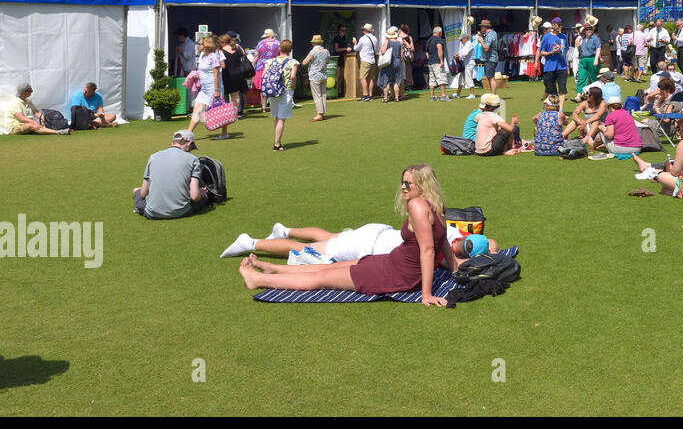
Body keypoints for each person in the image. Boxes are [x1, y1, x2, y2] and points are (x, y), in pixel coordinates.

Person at [238, 163, 450, 306]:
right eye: (402, 182)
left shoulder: (417, 205)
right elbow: (443, 243)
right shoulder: (436, 204)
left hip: (397, 274)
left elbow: (430, 249)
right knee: (332, 266)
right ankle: (274, 268)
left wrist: (426, 294)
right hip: (392, 262)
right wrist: (457, 270)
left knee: (320, 279)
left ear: (422, 186)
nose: (403, 187)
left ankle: (258, 279)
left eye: (408, 184)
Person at [222, 217, 498, 270]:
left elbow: (491, 243)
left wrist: (486, 246)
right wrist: (486, 252)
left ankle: (284, 229)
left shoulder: (447, 230)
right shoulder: (443, 252)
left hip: (377, 232)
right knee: (306, 252)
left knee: (331, 236)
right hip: (367, 247)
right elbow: (484, 251)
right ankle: (252, 242)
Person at [133, 129, 208, 218]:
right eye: (191, 148)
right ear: (188, 144)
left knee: (136, 191)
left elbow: (143, 194)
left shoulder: (153, 157)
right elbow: (195, 197)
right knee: (204, 197)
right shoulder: (193, 160)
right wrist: (201, 192)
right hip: (181, 212)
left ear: (173, 143)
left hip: (152, 213)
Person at [188, 34, 229, 140]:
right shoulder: (203, 56)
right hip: (204, 88)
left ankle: (224, 132)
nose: (198, 45)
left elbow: (216, 74)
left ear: (206, 45)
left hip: (213, 87)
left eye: (200, 44)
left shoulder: (214, 56)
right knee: (196, 109)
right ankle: (188, 134)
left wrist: (216, 90)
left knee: (218, 110)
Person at [585, 92, 642, 156]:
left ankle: (592, 144)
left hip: (623, 149)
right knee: (605, 128)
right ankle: (597, 144)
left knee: (601, 128)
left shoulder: (611, 115)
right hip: (637, 148)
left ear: (609, 106)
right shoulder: (627, 113)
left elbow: (609, 136)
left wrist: (601, 128)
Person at [1, 83, 70, 134]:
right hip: (14, 127)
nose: (32, 92)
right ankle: (57, 132)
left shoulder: (28, 101)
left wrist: (43, 119)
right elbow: (21, 118)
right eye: (30, 91)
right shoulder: (15, 102)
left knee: (36, 124)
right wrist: (34, 122)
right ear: (24, 92)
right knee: (32, 125)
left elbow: (36, 112)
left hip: (27, 124)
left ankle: (57, 130)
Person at [219, 33, 253, 116]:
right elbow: (244, 56)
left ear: (223, 42)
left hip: (228, 74)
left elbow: (221, 64)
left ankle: (231, 114)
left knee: (231, 94)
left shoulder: (221, 50)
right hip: (239, 73)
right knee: (236, 95)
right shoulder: (238, 47)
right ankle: (235, 113)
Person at [304, 34, 330, 122]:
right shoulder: (326, 51)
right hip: (323, 75)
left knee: (317, 96)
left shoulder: (313, 51)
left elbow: (304, 62)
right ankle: (322, 113)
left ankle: (319, 114)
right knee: (323, 94)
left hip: (315, 75)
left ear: (313, 43)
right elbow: (327, 61)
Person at [378, 27, 405, 102]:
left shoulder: (387, 41)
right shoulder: (399, 42)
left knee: (386, 80)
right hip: (397, 62)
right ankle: (396, 97)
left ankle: (385, 98)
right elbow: (402, 55)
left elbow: (383, 51)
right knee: (396, 81)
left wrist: (382, 49)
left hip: (389, 63)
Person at [353, 24, 379, 102]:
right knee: (371, 78)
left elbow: (356, 48)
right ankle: (370, 95)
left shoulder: (363, 39)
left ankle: (365, 95)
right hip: (373, 60)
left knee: (363, 77)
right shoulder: (375, 38)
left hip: (365, 60)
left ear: (365, 30)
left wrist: (354, 43)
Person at [575, 21, 603, 92]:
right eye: (587, 29)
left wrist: (596, 59)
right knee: (581, 77)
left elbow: (598, 49)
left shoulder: (595, 38)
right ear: (584, 31)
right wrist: (578, 46)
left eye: (590, 29)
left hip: (592, 58)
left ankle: (596, 94)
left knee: (594, 78)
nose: (589, 30)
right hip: (583, 60)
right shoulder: (582, 39)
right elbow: (580, 51)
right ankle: (579, 94)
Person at [426, 26, 449, 101]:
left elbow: (427, 52)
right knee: (441, 78)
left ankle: (432, 96)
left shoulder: (429, 40)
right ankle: (443, 96)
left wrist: (429, 59)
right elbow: (439, 49)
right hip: (437, 61)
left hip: (430, 62)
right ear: (439, 32)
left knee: (432, 79)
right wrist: (441, 61)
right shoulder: (439, 39)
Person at [479, 19, 502, 96]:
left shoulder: (490, 35)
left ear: (485, 27)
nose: (481, 28)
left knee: (491, 78)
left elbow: (486, 48)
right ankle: (493, 94)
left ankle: (493, 95)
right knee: (489, 77)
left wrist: (481, 41)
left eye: (481, 27)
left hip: (490, 59)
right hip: (490, 59)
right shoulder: (491, 34)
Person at [455, 30, 476, 98]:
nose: (461, 41)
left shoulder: (469, 44)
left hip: (469, 64)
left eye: (461, 39)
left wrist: (459, 56)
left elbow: (465, 53)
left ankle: (472, 94)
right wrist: (458, 55)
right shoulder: (465, 44)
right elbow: (462, 53)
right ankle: (458, 93)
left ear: (464, 38)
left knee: (468, 78)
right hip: (465, 64)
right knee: (461, 79)